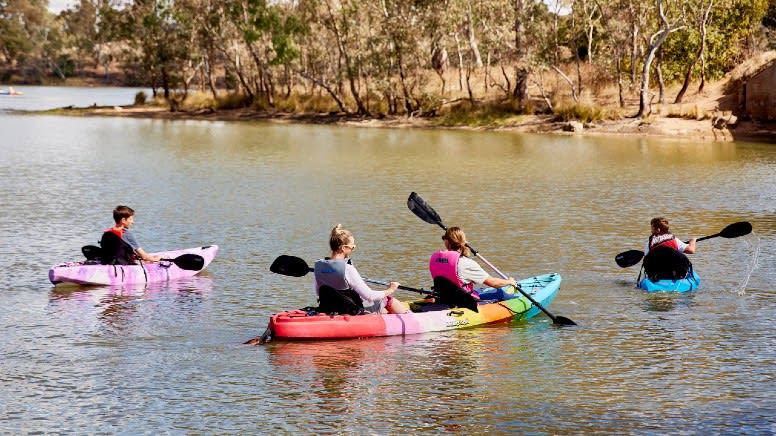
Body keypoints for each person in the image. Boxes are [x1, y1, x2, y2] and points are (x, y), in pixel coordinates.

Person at [312, 224, 410, 314]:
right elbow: (370, 296)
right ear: (344, 248)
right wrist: (391, 289)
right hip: (352, 310)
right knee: (387, 300)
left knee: (382, 310)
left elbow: (318, 292)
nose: (353, 250)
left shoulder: (318, 266)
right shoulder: (347, 268)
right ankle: (411, 318)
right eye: (352, 247)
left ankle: (386, 316)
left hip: (330, 308)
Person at [429, 226, 518, 302]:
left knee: (480, 290)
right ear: (463, 242)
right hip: (463, 301)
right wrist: (509, 282)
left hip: (444, 297)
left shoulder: (435, 258)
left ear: (447, 242)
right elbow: (493, 283)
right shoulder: (466, 263)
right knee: (500, 293)